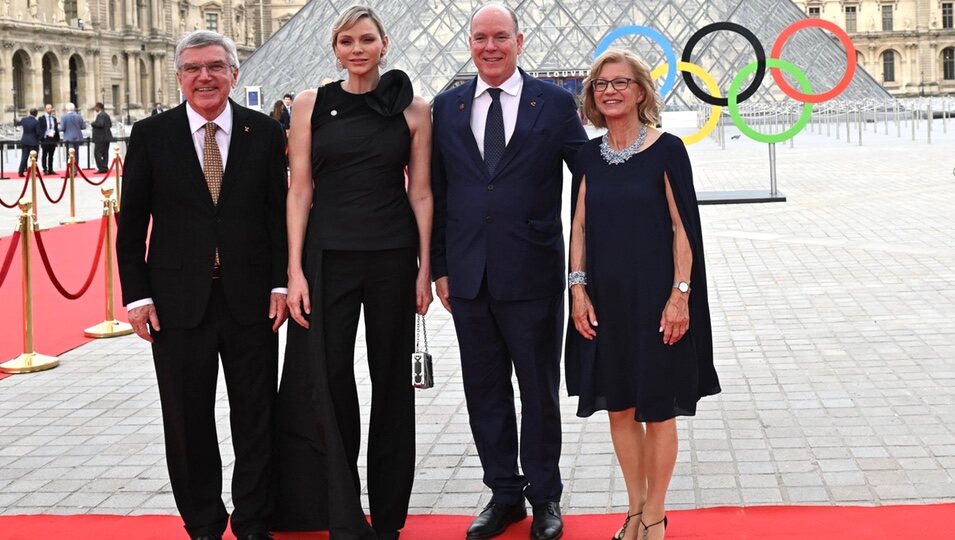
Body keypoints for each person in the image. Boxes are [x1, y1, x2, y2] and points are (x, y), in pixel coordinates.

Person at [116, 30, 289, 540]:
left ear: (236, 74)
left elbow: (277, 219)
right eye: (192, 68)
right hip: (175, 303)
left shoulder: (263, 132)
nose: (204, 77)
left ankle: (254, 520)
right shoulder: (151, 135)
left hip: (252, 300)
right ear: (179, 77)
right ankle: (204, 523)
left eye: (215, 66)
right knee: (187, 422)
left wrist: (280, 285)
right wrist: (138, 296)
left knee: (256, 418)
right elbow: (132, 226)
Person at [272, 5, 433, 540]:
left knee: (392, 384)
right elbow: (298, 189)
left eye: (367, 39)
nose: (357, 49)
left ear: (384, 43)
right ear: (335, 49)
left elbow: (421, 191)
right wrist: (293, 270)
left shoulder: (414, 110)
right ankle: (342, 513)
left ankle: (388, 516)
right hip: (327, 259)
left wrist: (424, 269)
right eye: (346, 41)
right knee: (330, 382)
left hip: (392, 257)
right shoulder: (309, 104)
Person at [430, 4, 587, 540]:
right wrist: (440, 267)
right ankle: (504, 493)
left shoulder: (557, 104)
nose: (490, 46)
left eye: (501, 37)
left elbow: (588, 184)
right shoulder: (446, 107)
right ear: (468, 43)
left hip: (534, 274)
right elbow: (437, 191)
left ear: (520, 41)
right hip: (469, 277)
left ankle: (545, 496)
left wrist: (588, 268)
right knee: (485, 389)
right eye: (480, 38)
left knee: (538, 391)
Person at [565, 49, 721, 540]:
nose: (609, 91)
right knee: (620, 408)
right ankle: (633, 509)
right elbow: (580, 227)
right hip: (605, 300)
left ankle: (655, 514)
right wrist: (577, 291)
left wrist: (680, 296)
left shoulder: (668, 148)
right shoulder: (586, 155)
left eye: (620, 83)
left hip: (656, 298)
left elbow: (683, 229)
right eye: (600, 84)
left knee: (657, 407)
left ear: (640, 91)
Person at [17, 108, 41, 177]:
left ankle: (20, 171)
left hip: (24, 140)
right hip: (33, 141)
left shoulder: (24, 119)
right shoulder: (36, 122)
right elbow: (38, 132)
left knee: (24, 157)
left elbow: (18, 123)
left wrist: (15, 121)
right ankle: (33, 171)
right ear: (36, 114)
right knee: (33, 158)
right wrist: (39, 138)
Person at [90, 102, 112, 173]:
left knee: (97, 153)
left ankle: (101, 168)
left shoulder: (100, 115)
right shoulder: (106, 115)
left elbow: (100, 124)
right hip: (107, 137)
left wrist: (93, 123)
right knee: (105, 153)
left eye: (96, 107)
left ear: (98, 107)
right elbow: (110, 125)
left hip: (100, 138)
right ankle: (105, 167)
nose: (95, 109)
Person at [39, 103, 59, 174]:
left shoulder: (54, 118)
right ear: (45, 109)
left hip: (52, 138)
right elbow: (40, 129)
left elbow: (56, 129)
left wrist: (57, 139)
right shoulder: (41, 118)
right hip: (45, 138)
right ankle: (45, 169)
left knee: (51, 155)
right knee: (44, 155)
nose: (50, 110)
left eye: (50, 108)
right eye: (48, 108)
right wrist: (41, 138)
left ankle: (51, 169)